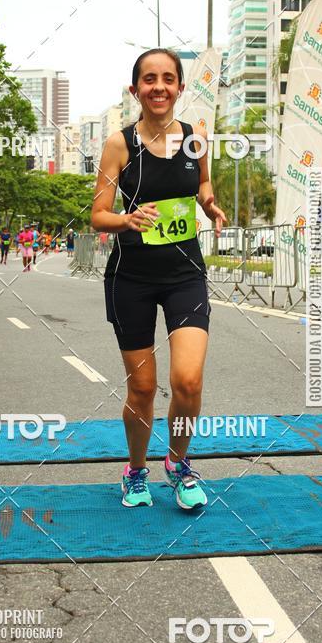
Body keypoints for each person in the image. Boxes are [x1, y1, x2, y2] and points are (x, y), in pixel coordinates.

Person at [91, 48, 226, 511]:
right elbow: (97, 216)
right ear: (136, 90)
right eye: (149, 79)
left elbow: (202, 185)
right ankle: (134, 470)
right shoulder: (119, 144)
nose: (159, 87)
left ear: (180, 88)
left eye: (168, 78)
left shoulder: (195, 139)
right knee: (143, 388)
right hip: (131, 279)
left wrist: (209, 205)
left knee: (188, 381)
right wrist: (126, 219)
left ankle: (179, 463)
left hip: (184, 275)